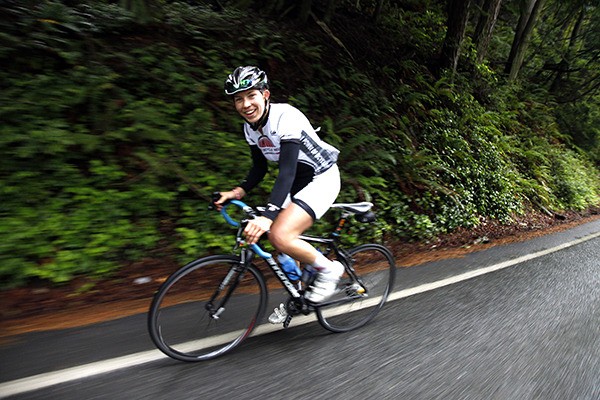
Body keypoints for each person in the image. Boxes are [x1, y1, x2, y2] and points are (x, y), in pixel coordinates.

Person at [215, 66, 344, 322]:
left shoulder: (286, 116)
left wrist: (268, 215)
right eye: (238, 99)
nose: (245, 104)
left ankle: (329, 271)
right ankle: (298, 297)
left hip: (322, 178)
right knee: (275, 241)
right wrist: (236, 192)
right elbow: (259, 168)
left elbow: (285, 172)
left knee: (280, 234)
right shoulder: (250, 128)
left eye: (251, 95)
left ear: (265, 94)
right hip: (297, 181)